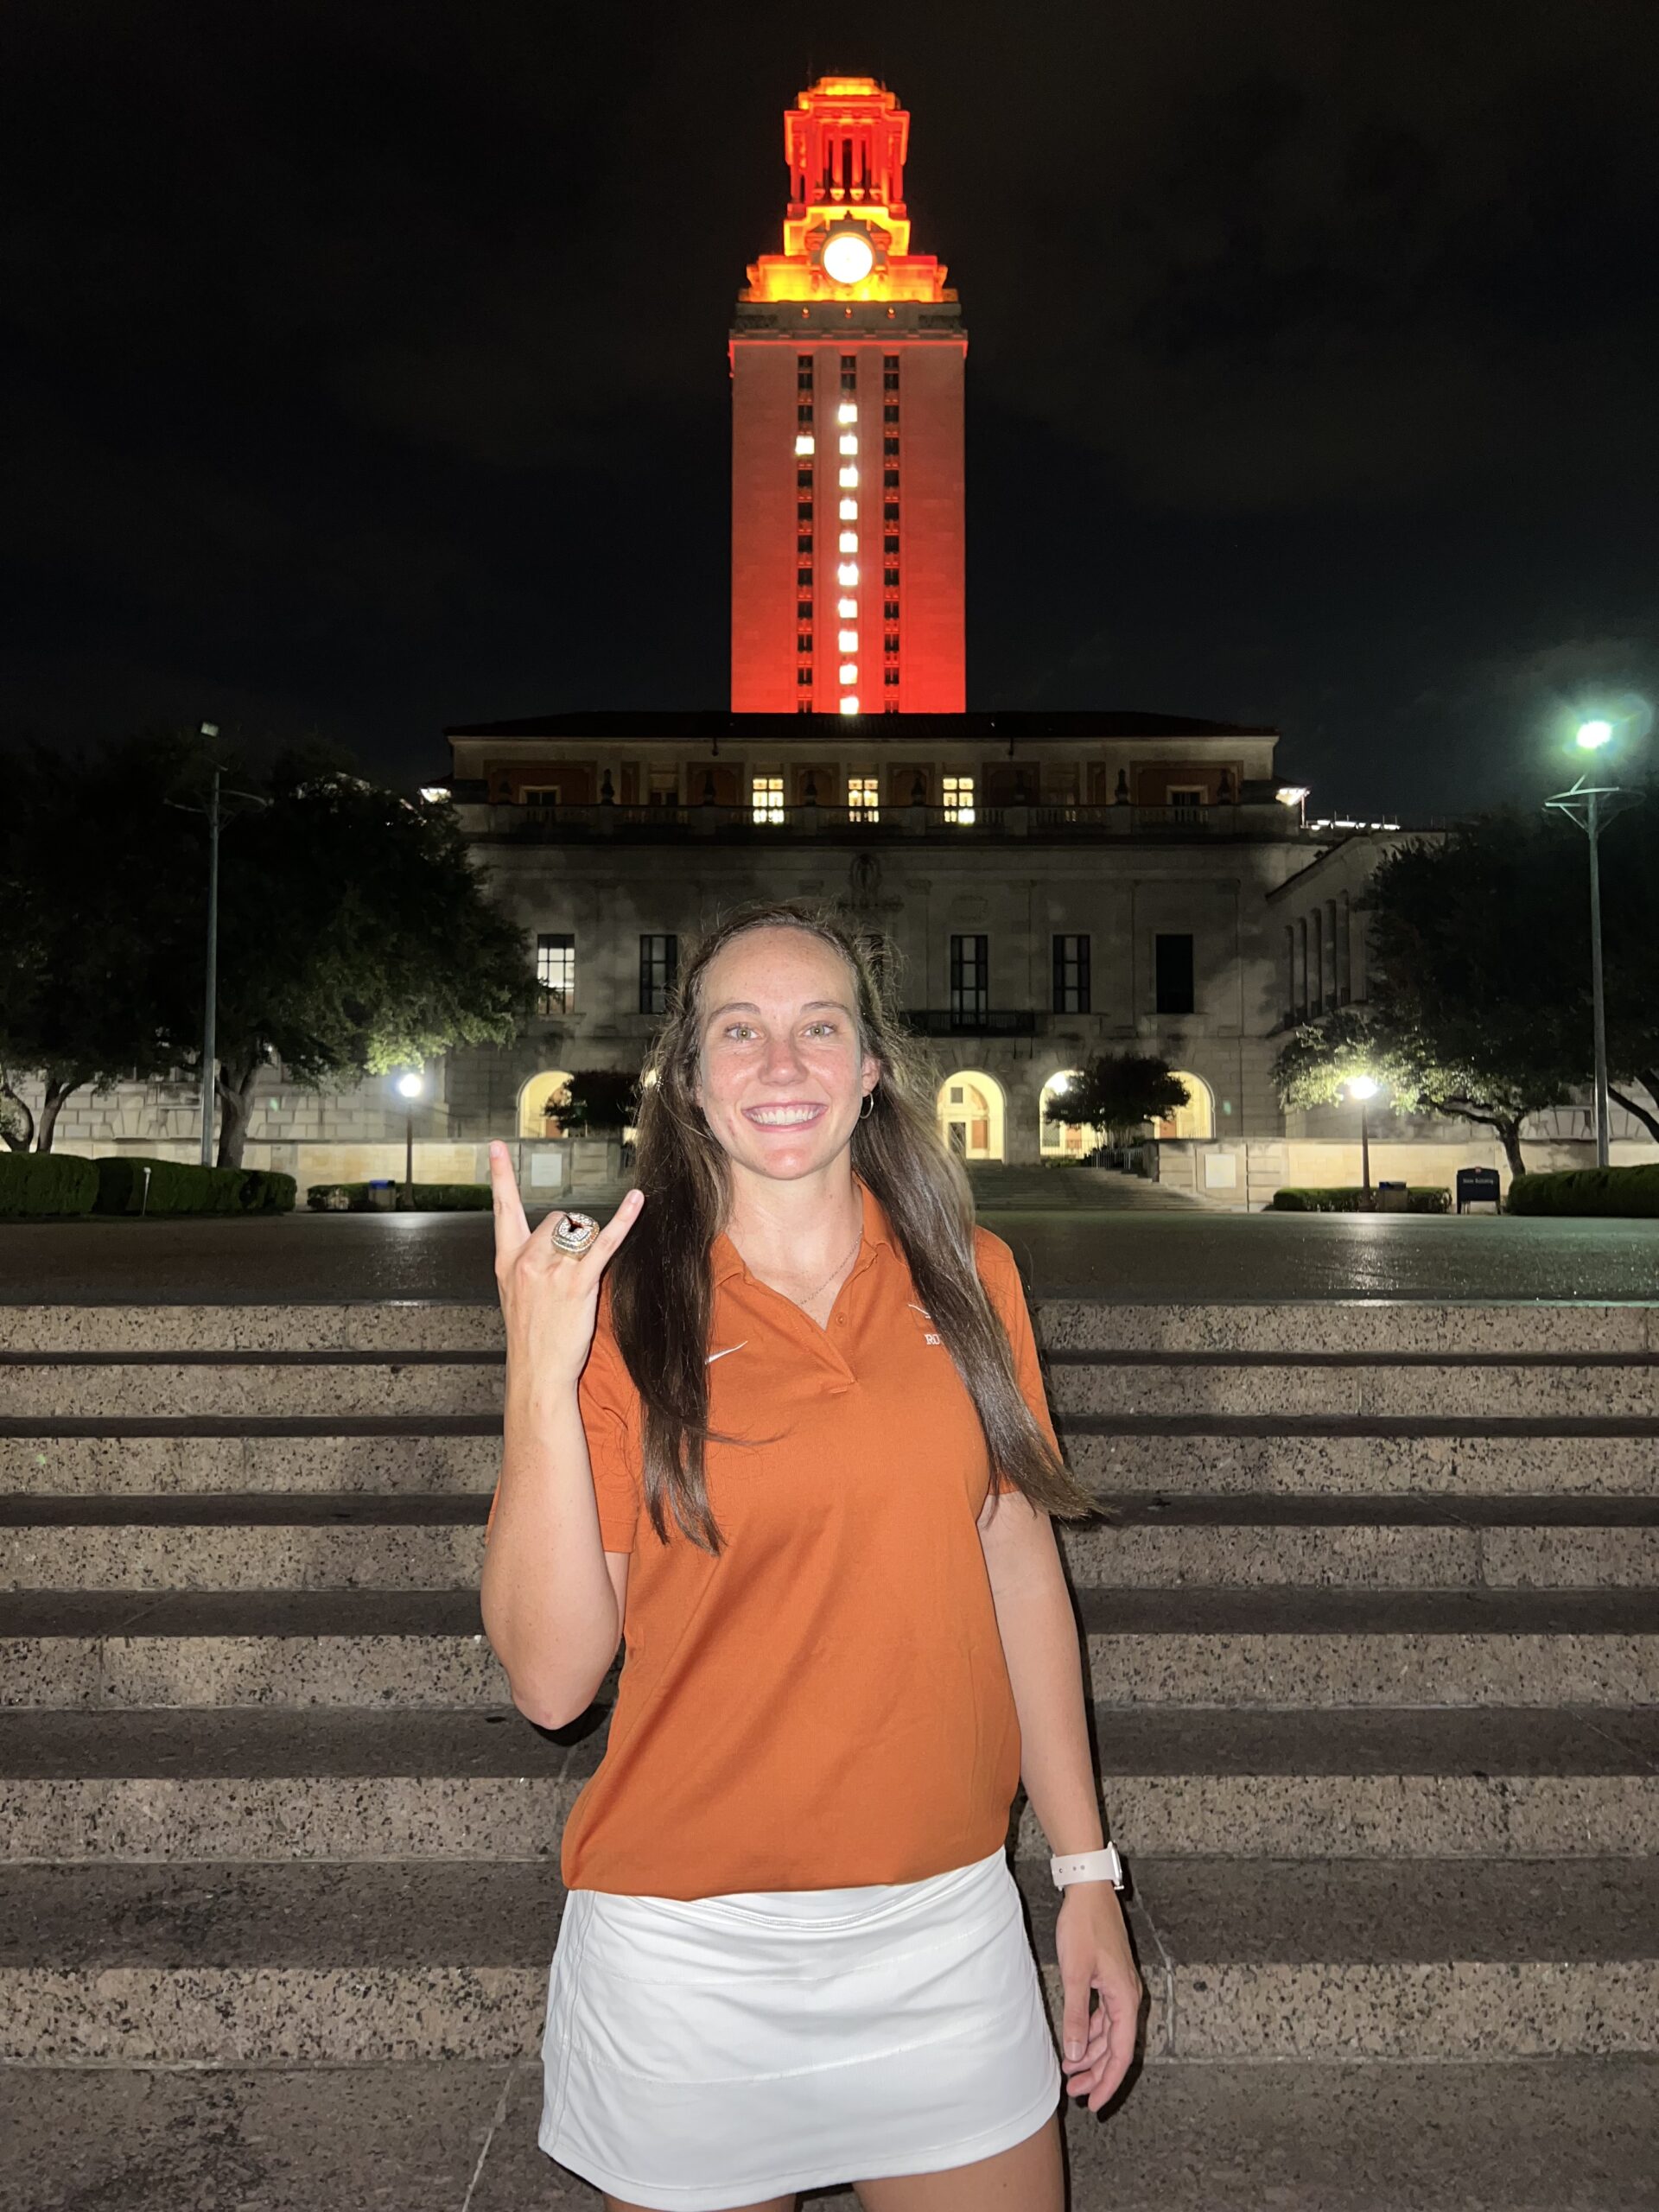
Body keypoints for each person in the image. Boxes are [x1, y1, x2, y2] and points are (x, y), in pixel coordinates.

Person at [480, 899, 1143, 2212]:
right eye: (741, 1033)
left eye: (818, 1029)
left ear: (871, 1074)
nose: (781, 1067)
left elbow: (1015, 1563)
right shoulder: (621, 1306)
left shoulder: (969, 1273)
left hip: (941, 1931)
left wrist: (1084, 1875)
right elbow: (555, 1685)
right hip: (688, 1960)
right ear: (687, 1084)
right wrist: (538, 1380)